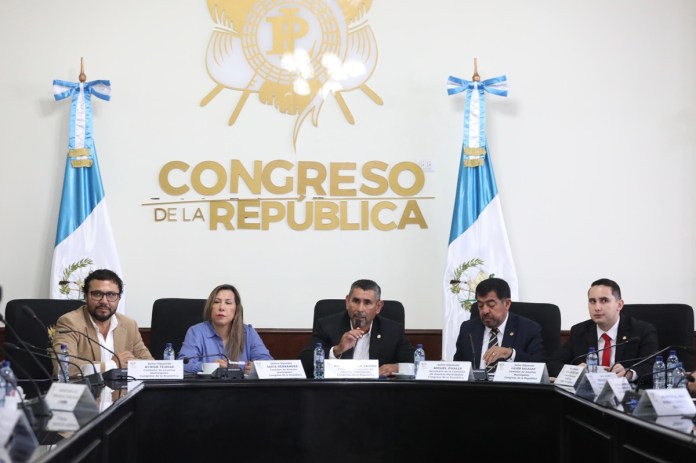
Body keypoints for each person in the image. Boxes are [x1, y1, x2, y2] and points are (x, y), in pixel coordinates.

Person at [547, 278, 659, 381]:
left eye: (604, 300)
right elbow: (552, 363)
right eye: (592, 301)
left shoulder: (641, 331)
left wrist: (628, 373)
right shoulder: (579, 331)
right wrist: (575, 371)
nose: (597, 307)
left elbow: (653, 366)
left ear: (619, 305)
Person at [299, 279, 415, 377]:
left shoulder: (392, 330)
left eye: (367, 303)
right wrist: (337, 350)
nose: (360, 309)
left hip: (377, 394)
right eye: (355, 301)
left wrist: (397, 367)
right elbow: (304, 363)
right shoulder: (327, 325)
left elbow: (419, 364)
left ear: (378, 307)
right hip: (337, 392)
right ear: (347, 302)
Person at [52, 269, 153, 376]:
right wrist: (113, 364)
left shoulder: (129, 324)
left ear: (119, 298)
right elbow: (63, 365)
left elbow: (149, 364)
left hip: (121, 391)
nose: (104, 301)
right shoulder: (69, 322)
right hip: (86, 391)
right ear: (85, 296)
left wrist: (132, 364)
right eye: (97, 294)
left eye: (111, 295)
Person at [177, 284, 272, 375]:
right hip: (207, 390)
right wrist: (209, 367)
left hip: (242, 390)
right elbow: (183, 364)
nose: (221, 307)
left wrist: (258, 368)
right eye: (217, 302)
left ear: (236, 309)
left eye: (228, 303)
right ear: (210, 307)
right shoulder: (196, 332)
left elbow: (268, 364)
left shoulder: (248, 333)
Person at [453, 277, 545, 370]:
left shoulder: (528, 329)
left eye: (491, 304)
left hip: (510, 384)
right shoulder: (468, 328)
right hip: (475, 384)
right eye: (480, 305)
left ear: (507, 304)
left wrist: (510, 354)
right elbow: (459, 367)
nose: (484, 311)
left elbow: (539, 366)